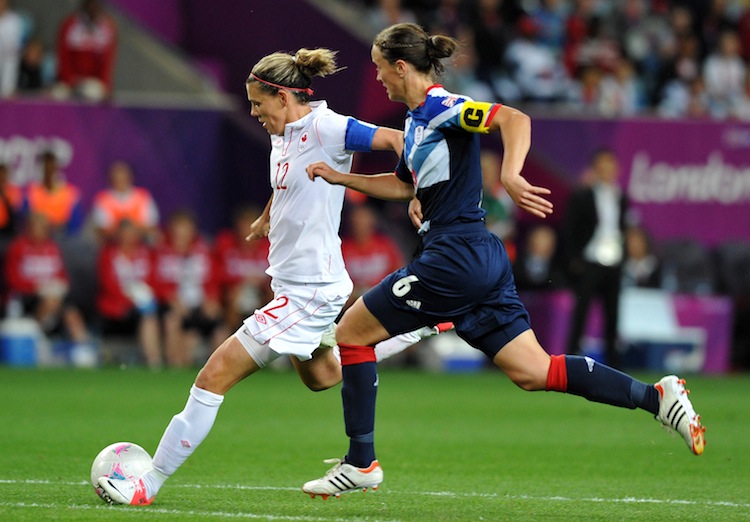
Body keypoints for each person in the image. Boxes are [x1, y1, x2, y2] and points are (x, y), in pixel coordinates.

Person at [300, 23, 705, 500]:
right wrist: (339, 178)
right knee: (536, 371)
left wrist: (510, 173)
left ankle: (361, 461)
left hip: (453, 257)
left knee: (350, 334)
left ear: (402, 66)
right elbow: (406, 186)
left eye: (380, 67)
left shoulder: (442, 106)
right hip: (476, 258)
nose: (378, 78)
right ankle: (657, 398)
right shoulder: (414, 122)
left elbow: (513, 119)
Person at [96, 47, 446, 506]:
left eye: (258, 103)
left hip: (308, 292)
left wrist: (415, 189)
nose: (254, 112)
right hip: (299, 285)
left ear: (282, 96)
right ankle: (414, 329)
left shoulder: (328, 127)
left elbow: (398, 139)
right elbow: (288, 183)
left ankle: (149, 482)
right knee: (322, 376)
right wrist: (268, 216)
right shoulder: (283, 135)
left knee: (211, 376)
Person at [562, 148, 627, 368]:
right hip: (589, 261)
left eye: (610, 166)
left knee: (613, 316)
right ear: (595, 169)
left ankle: (614, 363)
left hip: (614, 262)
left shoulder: (621, 197)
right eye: (602, 166)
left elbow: (622, 229)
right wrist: (574, 260)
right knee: (581, 312)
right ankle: (571, 357)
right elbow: (570, 229)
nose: (607, 170)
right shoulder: (582, 195)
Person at [4, 212, 91, 350]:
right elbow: (12, 279)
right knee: (51, 302)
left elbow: (62, 275)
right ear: (29, 228)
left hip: (52, 294)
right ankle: (35, 338)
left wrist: (59, 285)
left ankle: (83, 350)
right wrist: (37, 287)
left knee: (72, 313)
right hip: (27, 296)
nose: (40, 231)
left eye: (43, 227)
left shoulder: (52, 248)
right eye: (37, 227)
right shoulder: (18, 247)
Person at [150, 209, 223, 369]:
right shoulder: (161, 251)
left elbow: (214, 279)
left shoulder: (203, 250)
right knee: (172, 320)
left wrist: (211, 299)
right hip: (174, 304)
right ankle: (175, 366)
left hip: (200, 303)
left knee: (219, 324)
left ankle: (220, 369)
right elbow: (155, 281)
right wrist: (170, 297)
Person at [95, 218, 161, 368]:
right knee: (147, 317)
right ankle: (153, 362)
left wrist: (144, 295)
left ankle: (161, 361)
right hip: (117, 308)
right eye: (125, 233)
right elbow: (107, 284)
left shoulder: (145, 254)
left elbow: (153, 280)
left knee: (156, 314)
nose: (129, 237)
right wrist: (129, 298)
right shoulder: (109, 255)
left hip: (142, 304)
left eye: (133, 233)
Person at [212, 205, 272, 331]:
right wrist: (241, 282)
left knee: (273, 294)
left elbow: (277, 276)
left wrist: (261, 284)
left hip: (262, 292)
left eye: (250, 225)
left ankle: (269, 334)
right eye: (243, 225)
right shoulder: (226, 244)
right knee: (233, 295)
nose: (247, 230)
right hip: (235, 292)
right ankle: (233, 334)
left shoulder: (269, 247)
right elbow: (218, 273)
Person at [54, 0, 117, 101]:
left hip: (92, 82)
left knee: (93, 93)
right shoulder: (69, 25)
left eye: (95, 5)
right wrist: (70, 80)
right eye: (90, 4)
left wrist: (106, 86)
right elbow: (63, 57)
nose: (92, 8)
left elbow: (107, 62)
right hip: (69, 81)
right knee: (58, 95)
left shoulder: (107, 28)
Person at [90, 160, 160, 243]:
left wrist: (131, 231)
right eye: (117, 176)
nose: (120, 179)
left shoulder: (143, 196)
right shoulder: (102, 199)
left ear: (131, 177)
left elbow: (151, 225)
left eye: (124, 176)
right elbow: (103, 229)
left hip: (141, 240)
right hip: (114, 242)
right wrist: (124, 233)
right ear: (111, 178)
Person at [22, 150, 84, 237]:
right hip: (38, 235)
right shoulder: (31, 192)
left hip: (62, 235)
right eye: (46, 167)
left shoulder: (70, 192)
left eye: (51, 167)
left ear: (56, 168)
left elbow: (75, 224)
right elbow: (25, 218)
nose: (48, 171)